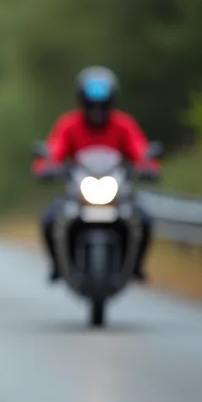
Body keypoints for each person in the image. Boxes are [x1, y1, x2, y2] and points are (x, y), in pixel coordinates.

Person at [33, 65, 159, 282]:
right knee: (50, 218)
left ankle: (136, 266)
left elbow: (139, 149)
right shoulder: (69, 124)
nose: (96, 110)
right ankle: (57, 265)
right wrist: (47, 166)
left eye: (101, 105)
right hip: (78, 192)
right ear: (82, 101)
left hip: (116, 193)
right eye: (91, 105)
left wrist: (148, 165)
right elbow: (55, 149)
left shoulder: (123, 125)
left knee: (144, 219)